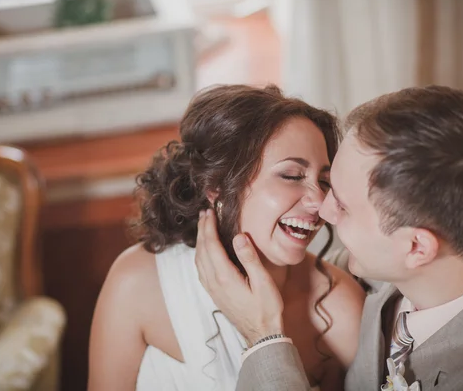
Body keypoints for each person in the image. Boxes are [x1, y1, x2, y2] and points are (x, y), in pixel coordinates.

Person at [195, 85, 463, 390]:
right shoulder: (406, 269)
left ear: (417, 248)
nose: (323, 210)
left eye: (343, 206)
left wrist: (264, 335)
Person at [88, 84, 366, 390]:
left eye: (324, 181)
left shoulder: (340, 307)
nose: (319, 202)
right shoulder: (137, 282)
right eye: (292, 176)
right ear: (216, 185)